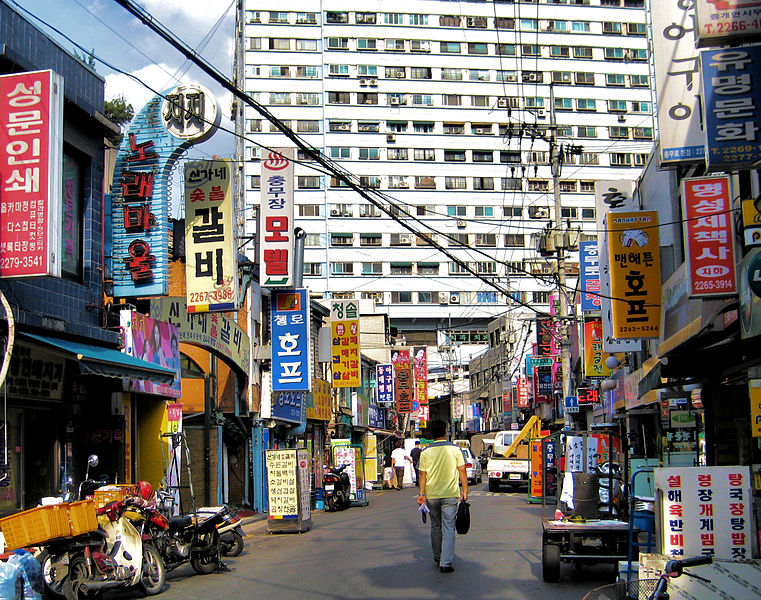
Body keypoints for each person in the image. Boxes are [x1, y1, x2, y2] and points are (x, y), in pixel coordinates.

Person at [417, 419, 468, 573]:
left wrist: (421, 494)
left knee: (436, 526)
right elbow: (462, 471)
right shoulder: (455, 449)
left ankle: (438, 556)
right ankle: (445, 563)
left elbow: (422, 475)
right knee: (448, 528)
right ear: (446, 430)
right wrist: (465, 490)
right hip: (450, 494)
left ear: (431, 433)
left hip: (432, 495)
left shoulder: (425, 452)